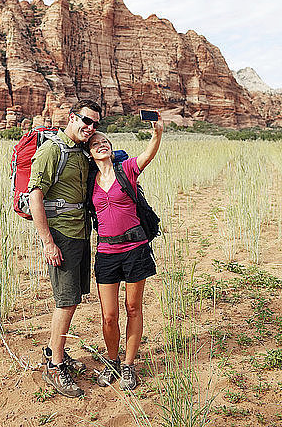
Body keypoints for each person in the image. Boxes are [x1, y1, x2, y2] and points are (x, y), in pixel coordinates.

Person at [28, 99, 102, 398]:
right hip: (62, 235)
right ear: (72, 118)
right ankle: (55, 365)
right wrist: (48, 242)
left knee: (72, 298)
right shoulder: (52, 150)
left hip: (80, 233)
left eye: (95, 123)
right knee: (66, 300)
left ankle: (54, 351)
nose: (90, 127)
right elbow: (35, 194)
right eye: (85, 121)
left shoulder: (81, 152)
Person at [87, 114, 163, 390]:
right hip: (106, 252)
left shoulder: (126, 169)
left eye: (105, 141)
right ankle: (112, 361)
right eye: (96, 143)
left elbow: (147, 154)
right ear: (90, 152)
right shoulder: (89, 180)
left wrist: (157, 133)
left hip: (135, 250)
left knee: (133, 308)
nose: (102, 145)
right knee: (109, 315)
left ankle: (128, 365)